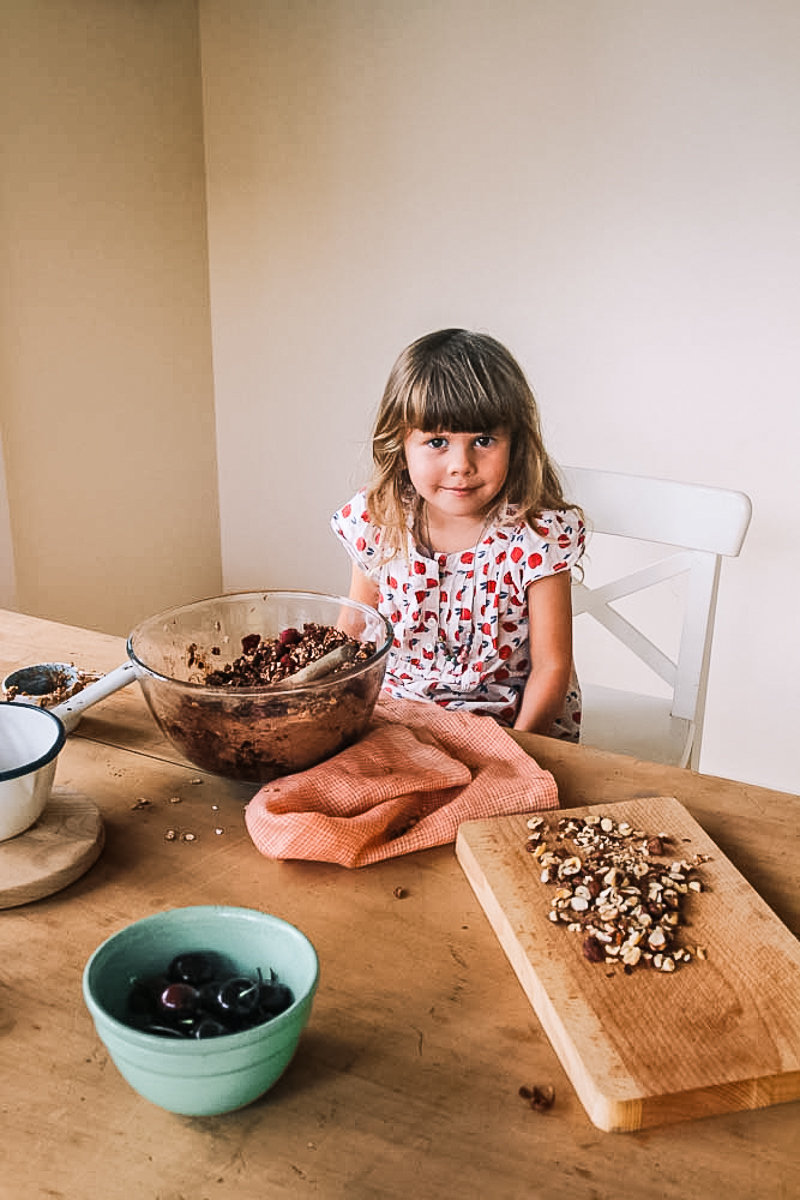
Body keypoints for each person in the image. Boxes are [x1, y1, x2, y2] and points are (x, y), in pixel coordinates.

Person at [331, 328, 585, 740]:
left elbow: (552, 667)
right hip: (396, 722)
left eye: (483, 440)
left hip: (511, 727)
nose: (460, 465)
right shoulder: (380, 520)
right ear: (401, 443)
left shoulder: (536, 537)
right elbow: (355, 634)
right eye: (437, 442)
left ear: (514, 444)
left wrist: (515, 751)